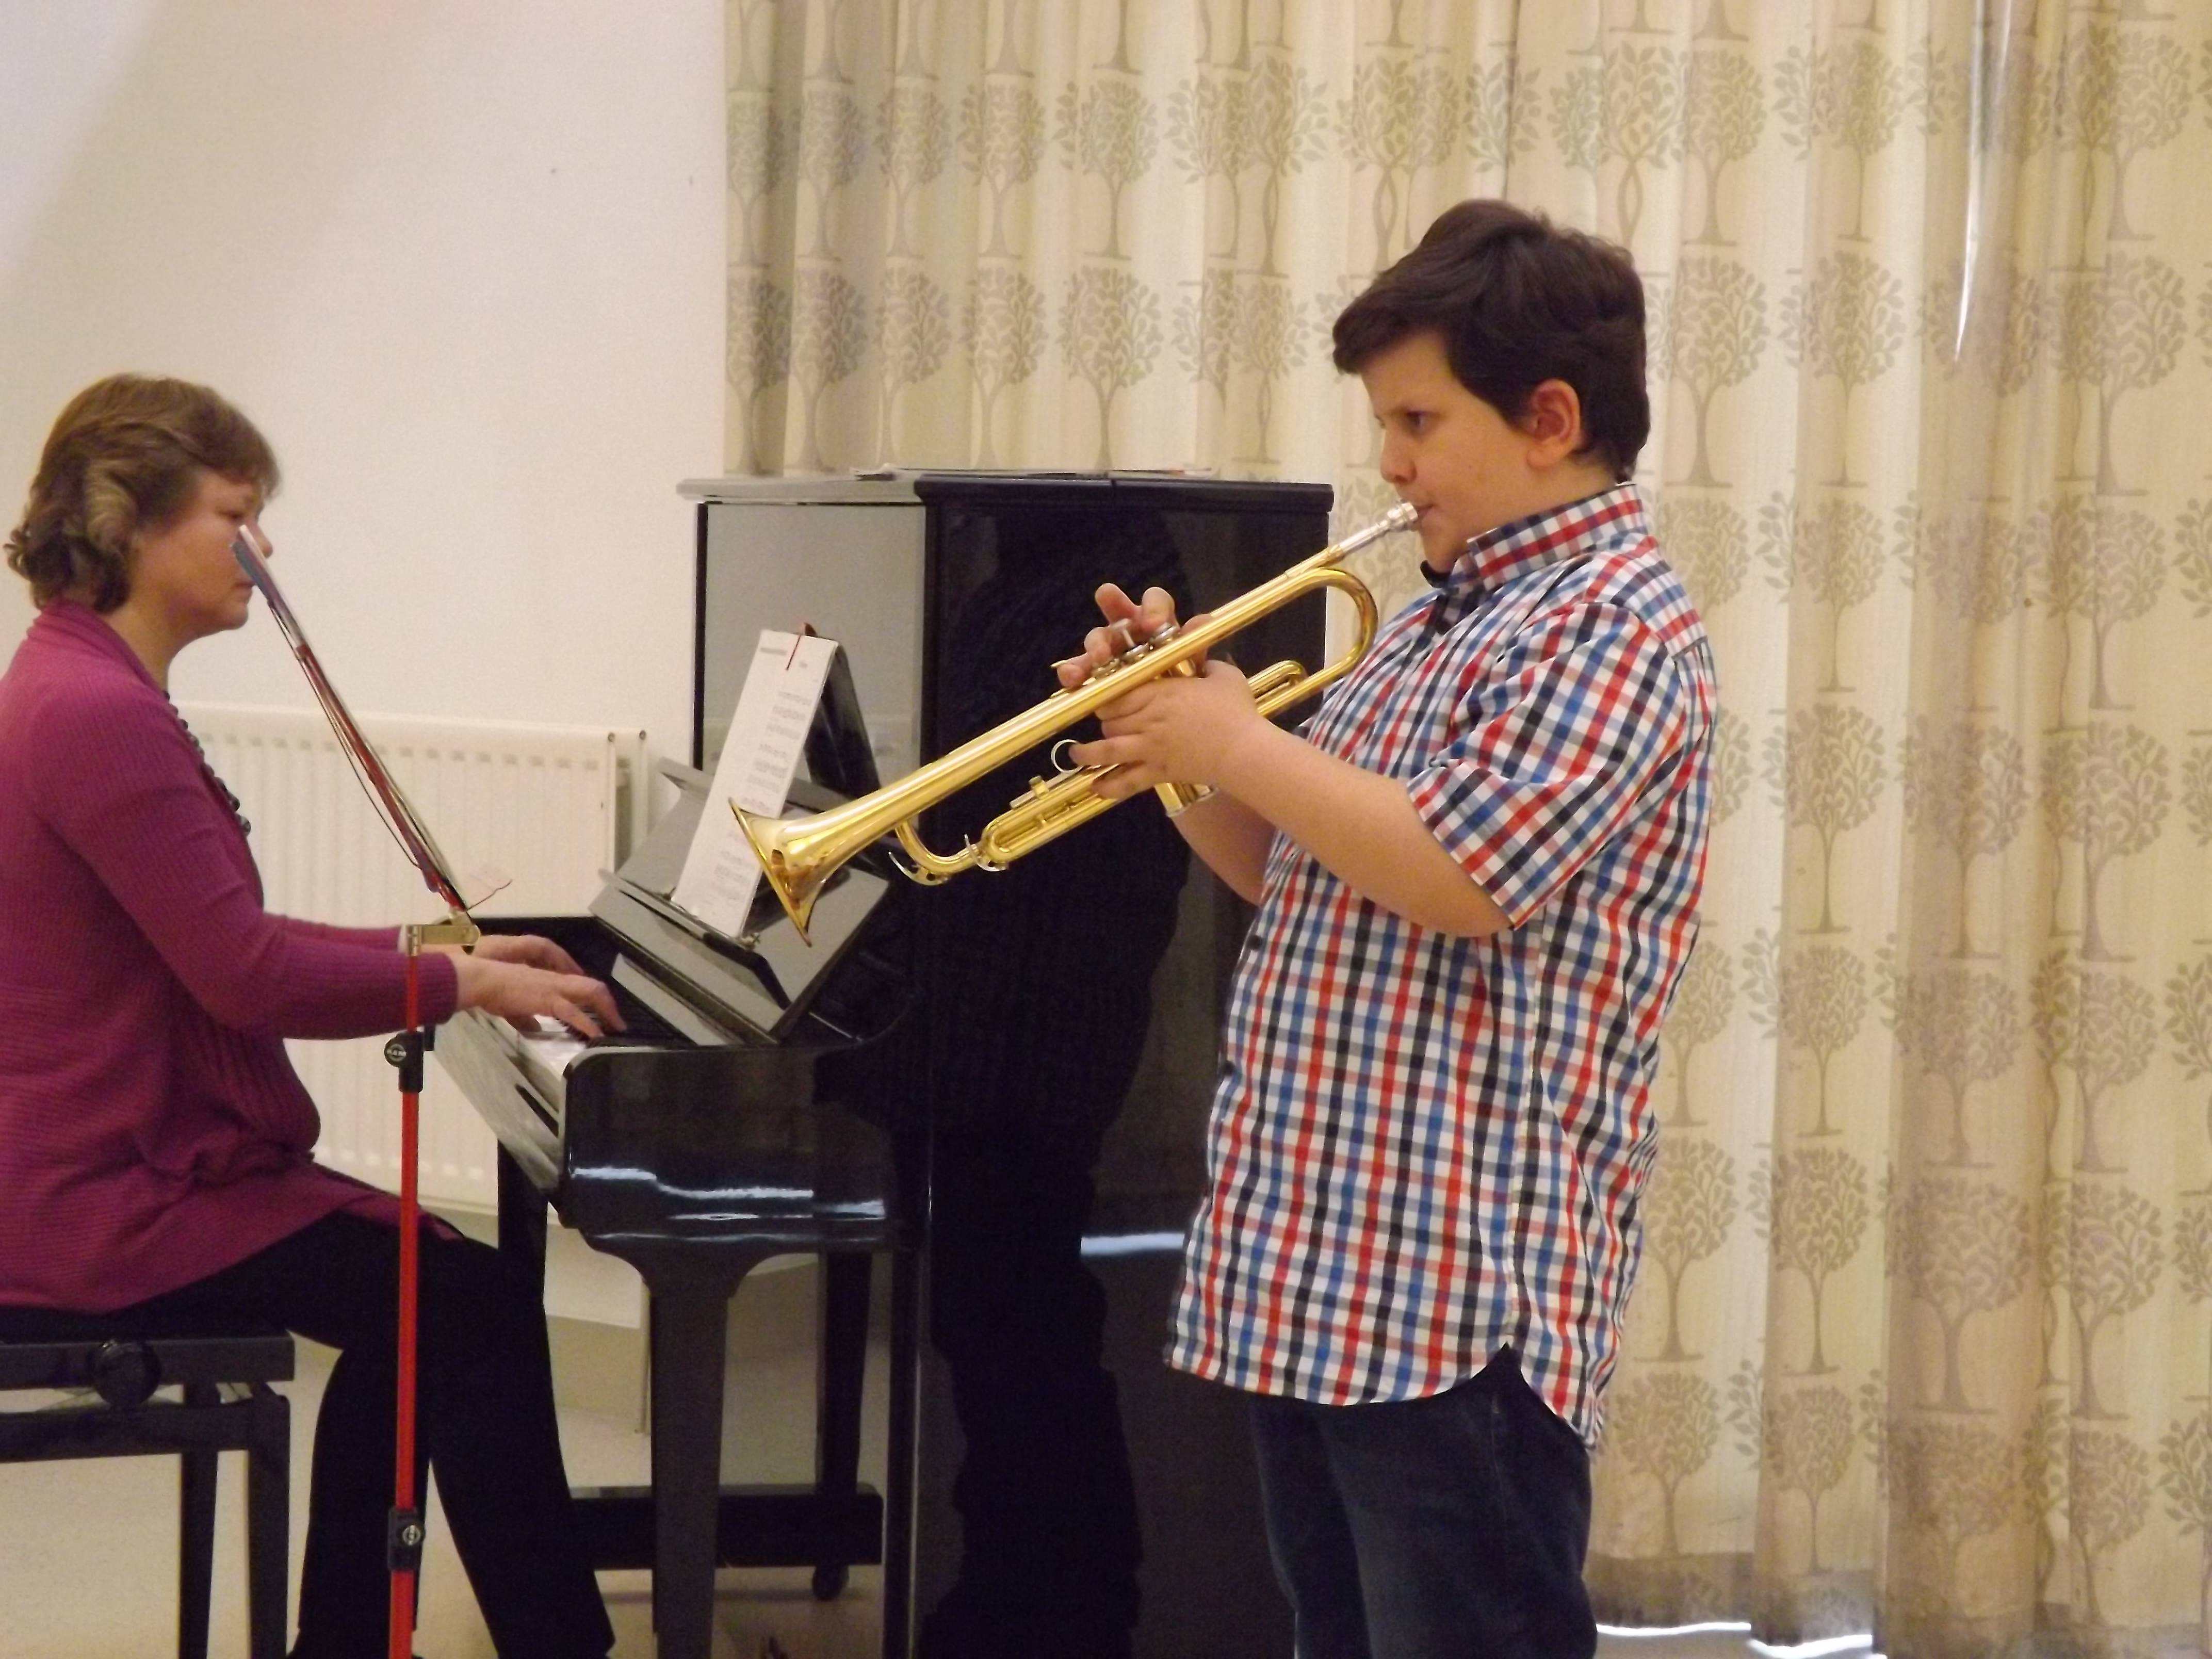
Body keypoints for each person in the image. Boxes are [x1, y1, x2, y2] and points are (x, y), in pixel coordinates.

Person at [1060, 200, 1717, 1659]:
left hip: (1460, 1298)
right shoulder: (1433, 619)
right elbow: (1303, 872)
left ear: (1549, 420)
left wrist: (1235, 738)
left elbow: (1458, 876)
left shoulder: (1613, 624)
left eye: (1418, 421)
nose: (1391, 461)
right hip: (1328, 1266)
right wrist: (1173, 749)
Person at [0, 374, 622, 1658]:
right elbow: (245, 975)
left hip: (105, 1165)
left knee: (440, 1303)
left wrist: (436, 950)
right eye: (236, 516)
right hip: (104, 1198)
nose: (262, 547)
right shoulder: (101, 714)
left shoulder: (73, 682)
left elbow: (222, 940)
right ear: (130, 525)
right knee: (461, 1302)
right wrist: (463, 983)